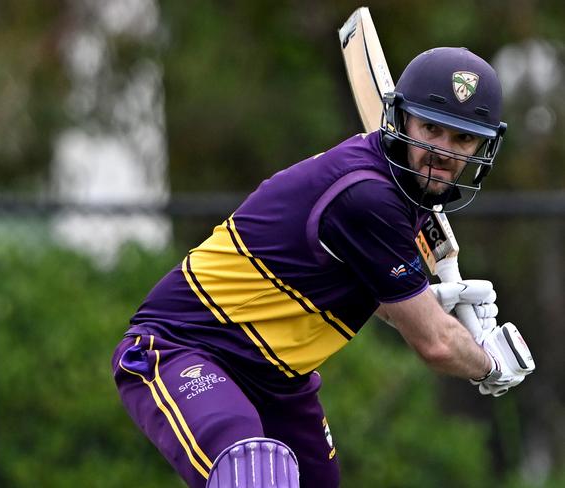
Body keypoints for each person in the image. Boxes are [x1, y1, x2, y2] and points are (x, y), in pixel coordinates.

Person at [111, 47, 535, 488]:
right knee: (253, 471)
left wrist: (427, 305)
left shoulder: (401, 193)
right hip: (183, 348)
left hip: (279, 381)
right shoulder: (370, 196)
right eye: (432, 128)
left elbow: (377, 298)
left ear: (483, 144)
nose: (443, 151)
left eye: (463, 138)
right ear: (402, 120)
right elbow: (437, 346)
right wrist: (489, 364)